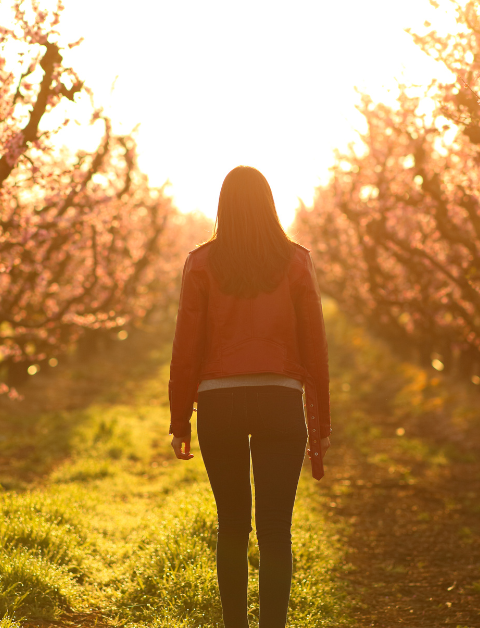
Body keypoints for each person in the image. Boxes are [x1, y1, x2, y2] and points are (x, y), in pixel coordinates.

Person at [168, 165, 331, 628]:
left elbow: (187, 348)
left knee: (233, 525)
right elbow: (315, 347)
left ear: (223, 206)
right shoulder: (297, 261)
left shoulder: (200, 263)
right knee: (276, 528)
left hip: (218, 404)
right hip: (280, 400)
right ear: (268, 205)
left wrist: (180, 421)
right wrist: (321, 425)